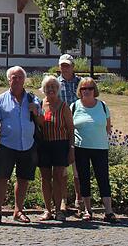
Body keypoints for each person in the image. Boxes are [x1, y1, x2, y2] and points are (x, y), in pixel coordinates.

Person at [0, 66, 42, 223]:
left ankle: (18, 211)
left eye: (20, 77)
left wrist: (35, 112)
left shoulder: (33, 99)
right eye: (14, 77)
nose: (17, 80)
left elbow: (40, 123)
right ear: (8, 80)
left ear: (24, 79)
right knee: (1, 178)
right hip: (7, 145)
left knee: (23, 179)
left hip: (28, 144)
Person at [73, 77, 118, 223]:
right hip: (81, 148)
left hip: (100, 148)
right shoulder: (74, 106)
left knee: (103, 179)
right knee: (84, 179)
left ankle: (109, 211)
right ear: (80, 91)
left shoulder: (103, 106)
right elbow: (69, 129)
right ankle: (88, 210)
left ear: (95, 90)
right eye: (83, 88)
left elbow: (108, 126)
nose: (86, 91)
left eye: (90, 88)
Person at [37, 75, 75, 222]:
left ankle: (59, 210)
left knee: (58, 177)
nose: (51, 89)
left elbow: (71, 129)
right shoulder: (40, 104)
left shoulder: (64, 106)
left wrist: (71, 148)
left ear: (58, 89)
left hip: (60, 144)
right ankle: (47, 210)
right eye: (48, 87)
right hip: (44, 145)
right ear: (44, 89)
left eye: (53, 86)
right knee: (45, 178)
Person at [57, 53, 83, 212]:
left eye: (67, 65)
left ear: (73, 66)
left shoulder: (81, 83)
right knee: (62, 168)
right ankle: (63, 200)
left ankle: (80, 200)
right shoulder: (55, 83)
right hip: (61, 129)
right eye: (62, 65)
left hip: (79, 129)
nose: (65, 68)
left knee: (78, 168)